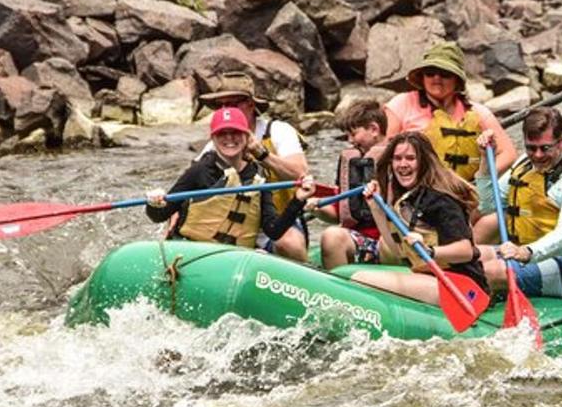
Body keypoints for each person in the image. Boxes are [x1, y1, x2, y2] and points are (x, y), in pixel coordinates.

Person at [472, 107, 562, 301]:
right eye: (531, 148)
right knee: (469, 257)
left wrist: (525, 251)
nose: (538, 155)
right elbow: (488, 204)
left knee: (488, 271)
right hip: (534, 255)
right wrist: (484, 160)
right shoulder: (525, 164)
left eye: (545, 148)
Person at [350, 131, 488, 305]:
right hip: (431, 277)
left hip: (462, 287)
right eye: (397, 158)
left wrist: (430, 251)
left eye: (410, 158)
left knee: (360, 278)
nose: (403, 164)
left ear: (423, 162)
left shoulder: (441, 200)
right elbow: (397, 250)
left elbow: (465, 251)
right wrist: (376, 209)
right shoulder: (409, 198)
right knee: (358, 277)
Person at [146, 107, 313, 248]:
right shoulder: (199, 170)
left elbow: (273, 231)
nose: (229, 138)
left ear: (247, 137)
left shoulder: (259, 177)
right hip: (193, 251)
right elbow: (159, 215)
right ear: (213, 138)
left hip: (232, 258)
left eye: (235, 132)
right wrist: (154, 203)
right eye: (222, 133)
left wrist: (298, 200)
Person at [197, 72, 310, 261]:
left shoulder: (277, 131)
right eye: (221, 105)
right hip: (232, 227)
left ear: (250, 104)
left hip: (280, 222)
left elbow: (301, 174)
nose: (227, 110)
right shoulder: (214, 147)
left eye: (233, 103)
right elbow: (189, 186)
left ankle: (306, 283)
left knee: (288, 243)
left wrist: (262, 154)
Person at [383, 41, 516, 180]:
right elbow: (384, 150)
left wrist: (481, 179)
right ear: (422, 77)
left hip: (465, 192)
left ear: (457, 79)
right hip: (414, 189)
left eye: (445, 74)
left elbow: (508, 153)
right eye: (430, 73)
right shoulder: (400, 104)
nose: (436, 78)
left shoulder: (477, 112)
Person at [305, 99, 388, 270]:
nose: (350, 141)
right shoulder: (349, 162)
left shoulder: (399, 159)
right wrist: (316, 207)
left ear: (374, 129)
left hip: (389, 243)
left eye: (353, 134)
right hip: (358, 238)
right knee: (331, 236)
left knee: (333, 236)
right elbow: (339, 212)